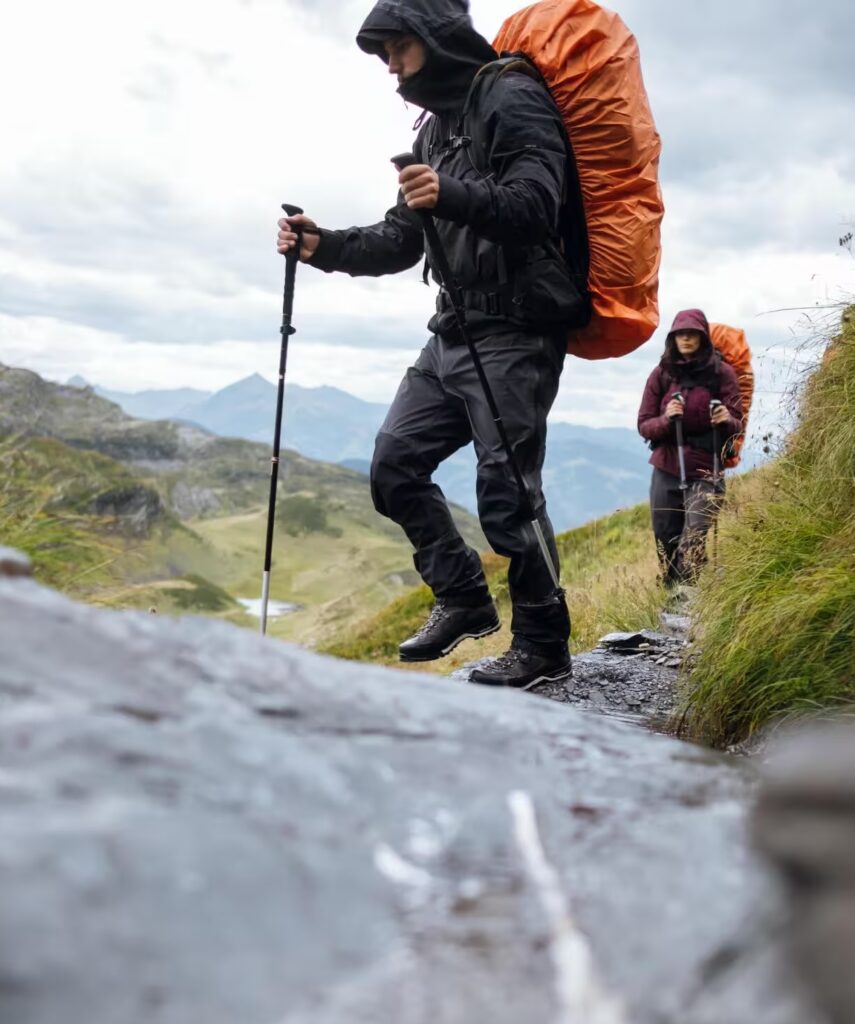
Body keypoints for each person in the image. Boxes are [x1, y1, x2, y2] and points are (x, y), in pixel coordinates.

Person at [276, 0, 589, 689]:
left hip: (517, 330)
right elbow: (399, 238)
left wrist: (451, 193)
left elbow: (537, 204)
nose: (387, 63)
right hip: (451, 332)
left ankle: (542, 645)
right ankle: (465, 598)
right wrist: (321, 246)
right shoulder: (436, 127)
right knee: (393, 465)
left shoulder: (512, 95)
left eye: (393, 47)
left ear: (433, 36)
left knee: (507, 494)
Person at [637, 309, 744, 585]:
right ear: (672, 338)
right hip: (667, 465)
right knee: (665, 536)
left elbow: (737, 423)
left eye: (691, 334)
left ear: (702, 337)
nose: (685, 338)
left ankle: (689, 600)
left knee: (693, 536)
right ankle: (673, 597)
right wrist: (667, 419)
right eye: (680, 334)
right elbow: (644, 424)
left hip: (707, 467)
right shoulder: (661, 375)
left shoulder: (722, 374)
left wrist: (725, 420)